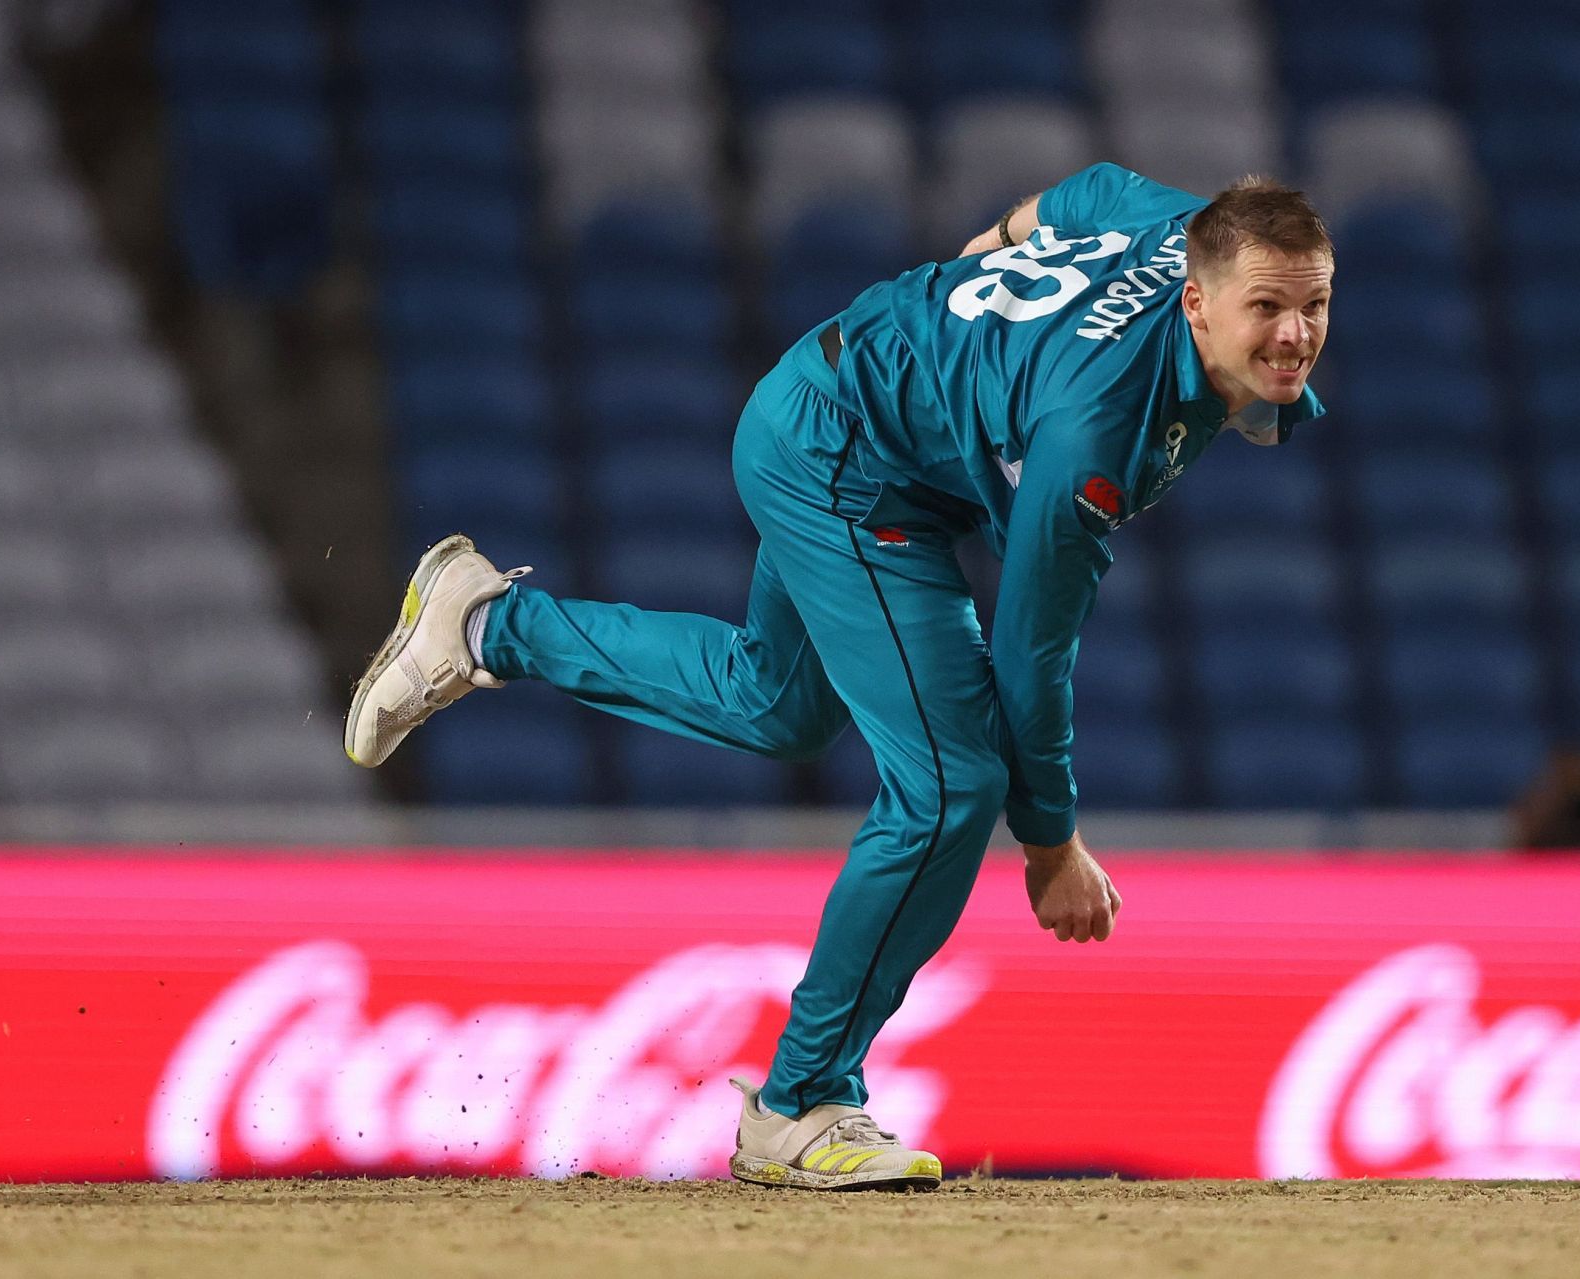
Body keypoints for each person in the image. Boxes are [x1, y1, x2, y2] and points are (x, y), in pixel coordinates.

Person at [344, 163, 1333, 1190]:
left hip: (844, 399)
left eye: (1314, 305)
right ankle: (801, 1101)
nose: (1297, 334)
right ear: (1196, 299)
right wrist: (1051, 843)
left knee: (776, 704)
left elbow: (1080, 193)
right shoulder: (1099, 430)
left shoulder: (1191, 227)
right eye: (1268, 307)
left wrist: (982, 268)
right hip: (848, 463)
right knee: (954, 782)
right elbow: (1033, 655)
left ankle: (489, 622)